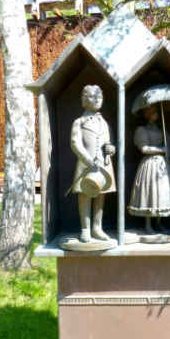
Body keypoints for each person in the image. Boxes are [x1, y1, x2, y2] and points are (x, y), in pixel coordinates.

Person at [70, 85, 116, 242]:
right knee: (85, 194)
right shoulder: (79, 122)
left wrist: (111, 148)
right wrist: (87, 159)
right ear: (84, 99)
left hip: (103, 165)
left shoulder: (104, 122)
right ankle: (85, 228)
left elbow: (108, 142)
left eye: (99, 96)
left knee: (100, 195)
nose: (97, 99)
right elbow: (75, 143)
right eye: (92, 96)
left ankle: (97, 227)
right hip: (86, 166)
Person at [128, 104, 170, 233]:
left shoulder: (162, 131)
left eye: (155, 111)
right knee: (150, 193)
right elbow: (144, 148)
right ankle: (148, 224)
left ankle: (159, 223)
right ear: (146, 114)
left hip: (162, 166)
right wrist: (162, 149)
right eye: (150, 111)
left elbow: (169, 150)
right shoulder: (142, 130)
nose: (153, 114)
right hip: (149, 164)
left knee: (161, 194)